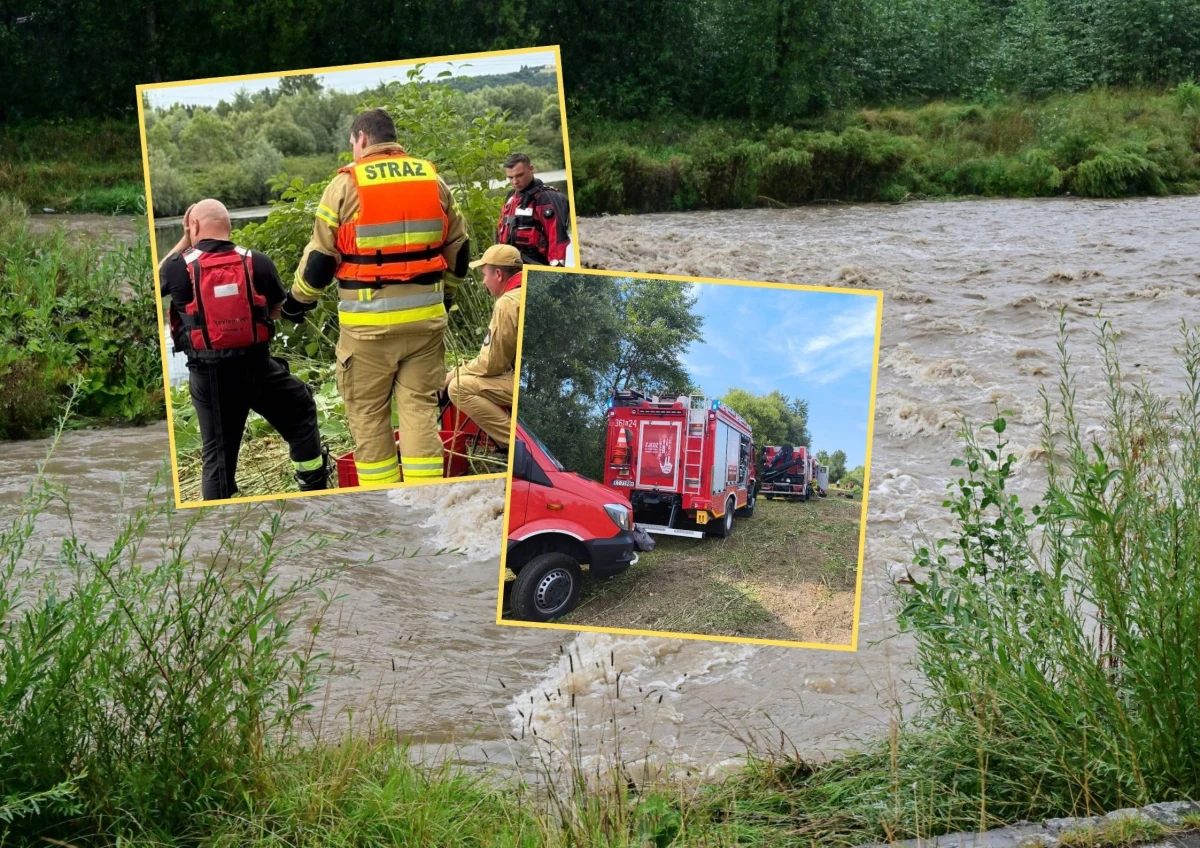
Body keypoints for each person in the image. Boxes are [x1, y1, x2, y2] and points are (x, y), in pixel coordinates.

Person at [284, 108, 469, 486]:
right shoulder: (433, 180)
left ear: (362, 138)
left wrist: (297, 301)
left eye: (352, 143)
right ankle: (427, 499)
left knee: (368, 415)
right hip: (425, 325)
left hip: (367, 329)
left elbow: (320, 259)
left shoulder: (346, 184)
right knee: (419, 412)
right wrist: (445, 297)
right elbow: (460, 250)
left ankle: (382, 505)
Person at [159, 199, 327, 500]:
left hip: (208, 378)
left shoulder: (176, 268)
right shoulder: (257, 262)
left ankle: (219, 525)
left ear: (194, 225)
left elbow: (151, 284)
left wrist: (185, 238)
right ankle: (312, 489)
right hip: (257, 369)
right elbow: (277, 309)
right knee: (301, 409)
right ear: (229, 227)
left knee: (218, 460)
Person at [444, 244, 522, 449]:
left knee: (459, 388)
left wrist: (456, 373)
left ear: (498, 274)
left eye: (484, 274)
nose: (482, 281)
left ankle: (519, 447)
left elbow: (492, 363)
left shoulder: (507, 303)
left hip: (525, 386)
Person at [496, 152, 571, 267]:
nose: (515, 181)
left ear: (531, 169)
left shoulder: (546, 197)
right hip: (512, 265)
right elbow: (501, 230)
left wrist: (557, 270)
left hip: (537, 265)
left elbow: (557, 239)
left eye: (519, 175)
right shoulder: (511, 197)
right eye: (510, 177)